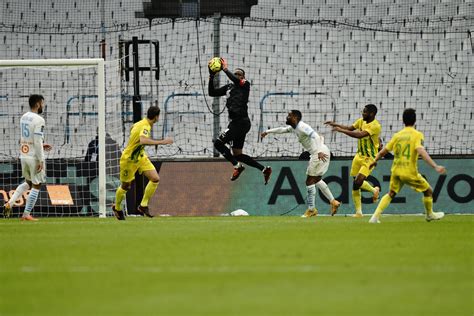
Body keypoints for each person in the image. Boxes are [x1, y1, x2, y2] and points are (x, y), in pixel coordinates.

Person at [368, 108, 446, 223]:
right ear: (415, 121)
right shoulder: (417, 135)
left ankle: (374, 217)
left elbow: (384, 151)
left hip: (396, 170)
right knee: (428, 191)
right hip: (409, 171)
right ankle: (429, 215)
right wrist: (435, 166)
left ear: (403, 121)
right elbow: (421, 151)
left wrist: (375, 160)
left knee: (391, 193)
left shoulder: (398, 135)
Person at [261, 110, 341, 217]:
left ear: (295, 118)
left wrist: (318, 152)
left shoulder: (302, 126)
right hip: (321, 152)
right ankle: (333, 202)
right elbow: (282, 130)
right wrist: (267, 131)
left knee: (309, 181)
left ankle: (311, 209)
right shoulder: (295, 128)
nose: (287, 117)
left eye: (289, 115)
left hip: (318, 153)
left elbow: (316, 136)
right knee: (316, 180)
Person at [208, 58, 272, 184]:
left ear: (243, 77)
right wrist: (211, 76)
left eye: (239, 74)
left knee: (218, 143)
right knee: (237, 154)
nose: (236, 75)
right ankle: (264, 169)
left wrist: (225, 69)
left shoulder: (245, 84)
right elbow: (212, 92)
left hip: (240, 122)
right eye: (235, 73)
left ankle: (237, 166)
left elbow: (237, 81)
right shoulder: (229, 87)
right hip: (237, 123)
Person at [112, 106, 173, 220]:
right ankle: (117, 208)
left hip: (140, 157)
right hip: (129, 159)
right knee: (126, 186)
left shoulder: (140, 123)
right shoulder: (146, 126)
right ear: (156, 117)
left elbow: (132, 129)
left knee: (155, 178)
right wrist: (163, 142)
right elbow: (143, 140)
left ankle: (143, 206)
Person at [325, 104, 381, 218]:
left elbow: (360, 135)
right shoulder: (361, 121)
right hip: (359, 156)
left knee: (358, 182)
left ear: (372, 114)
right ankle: (359, 212)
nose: (363, 113)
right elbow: (350, 128)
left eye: (365, 112)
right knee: (356, 185)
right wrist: (336, 124)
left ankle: (373, 190)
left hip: (370, 158)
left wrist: (340, 130)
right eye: (363, 111)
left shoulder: (375, 126)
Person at [3, 95, 52, 221]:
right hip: (34, 156)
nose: (43, 106)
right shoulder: (39, 120)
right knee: (36, 185)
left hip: (24, 155)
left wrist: (41, 143)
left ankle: (10, 203)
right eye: (42, 103)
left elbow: (27, 137)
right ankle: (26, 214)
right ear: (37, 104)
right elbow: (36, 140)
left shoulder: (24, 117)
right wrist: (41, 159)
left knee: (28, 182)